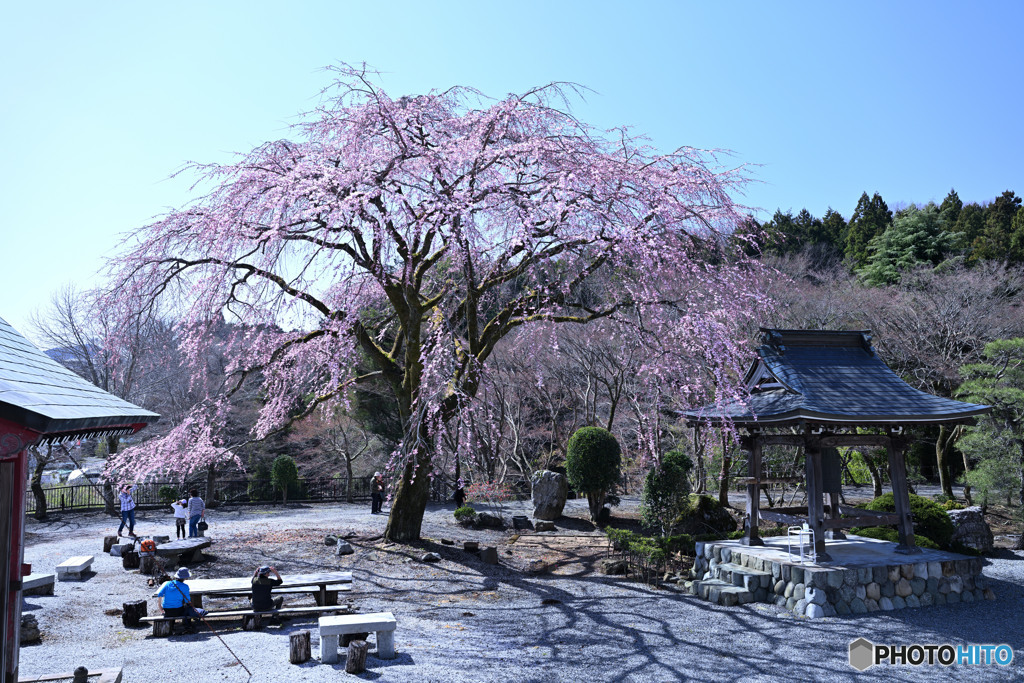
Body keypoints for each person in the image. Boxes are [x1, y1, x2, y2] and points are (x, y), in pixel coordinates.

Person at [156, 567, 204, 632]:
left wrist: (160, 607)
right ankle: (188, 626)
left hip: (166, 610)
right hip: (177, 610)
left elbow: (160, 594)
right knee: (187, 609)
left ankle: (172, 625)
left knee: (174, 607)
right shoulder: (185, 586)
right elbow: (187, 601)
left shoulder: (168, 583)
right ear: (185, 577)